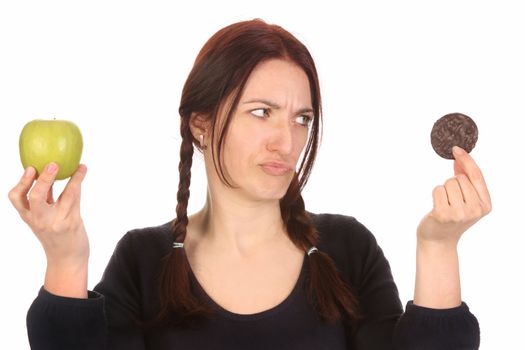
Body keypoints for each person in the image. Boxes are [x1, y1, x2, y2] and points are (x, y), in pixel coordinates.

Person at [9, 19, 491, 350]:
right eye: (261, 112)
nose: (287, 140)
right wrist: (65, 258)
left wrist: (438, 246)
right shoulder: (143, 259)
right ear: (200, 124)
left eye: (302, 118)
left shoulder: (347, 249)